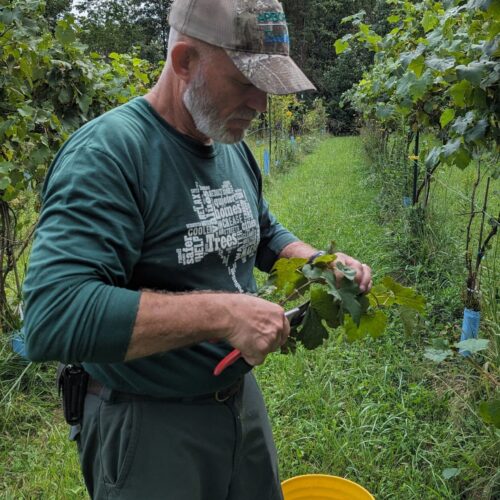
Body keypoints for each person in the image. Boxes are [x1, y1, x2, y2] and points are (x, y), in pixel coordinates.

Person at [23, 0, 372, 498]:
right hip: (149, 424)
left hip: (237, 403)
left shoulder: (228, 143)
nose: (261, 104)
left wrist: (318, 262)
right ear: (185, 61)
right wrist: (224, 315)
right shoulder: (111, 154)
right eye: (245, 83)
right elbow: (52, 316)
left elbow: (262, 231)